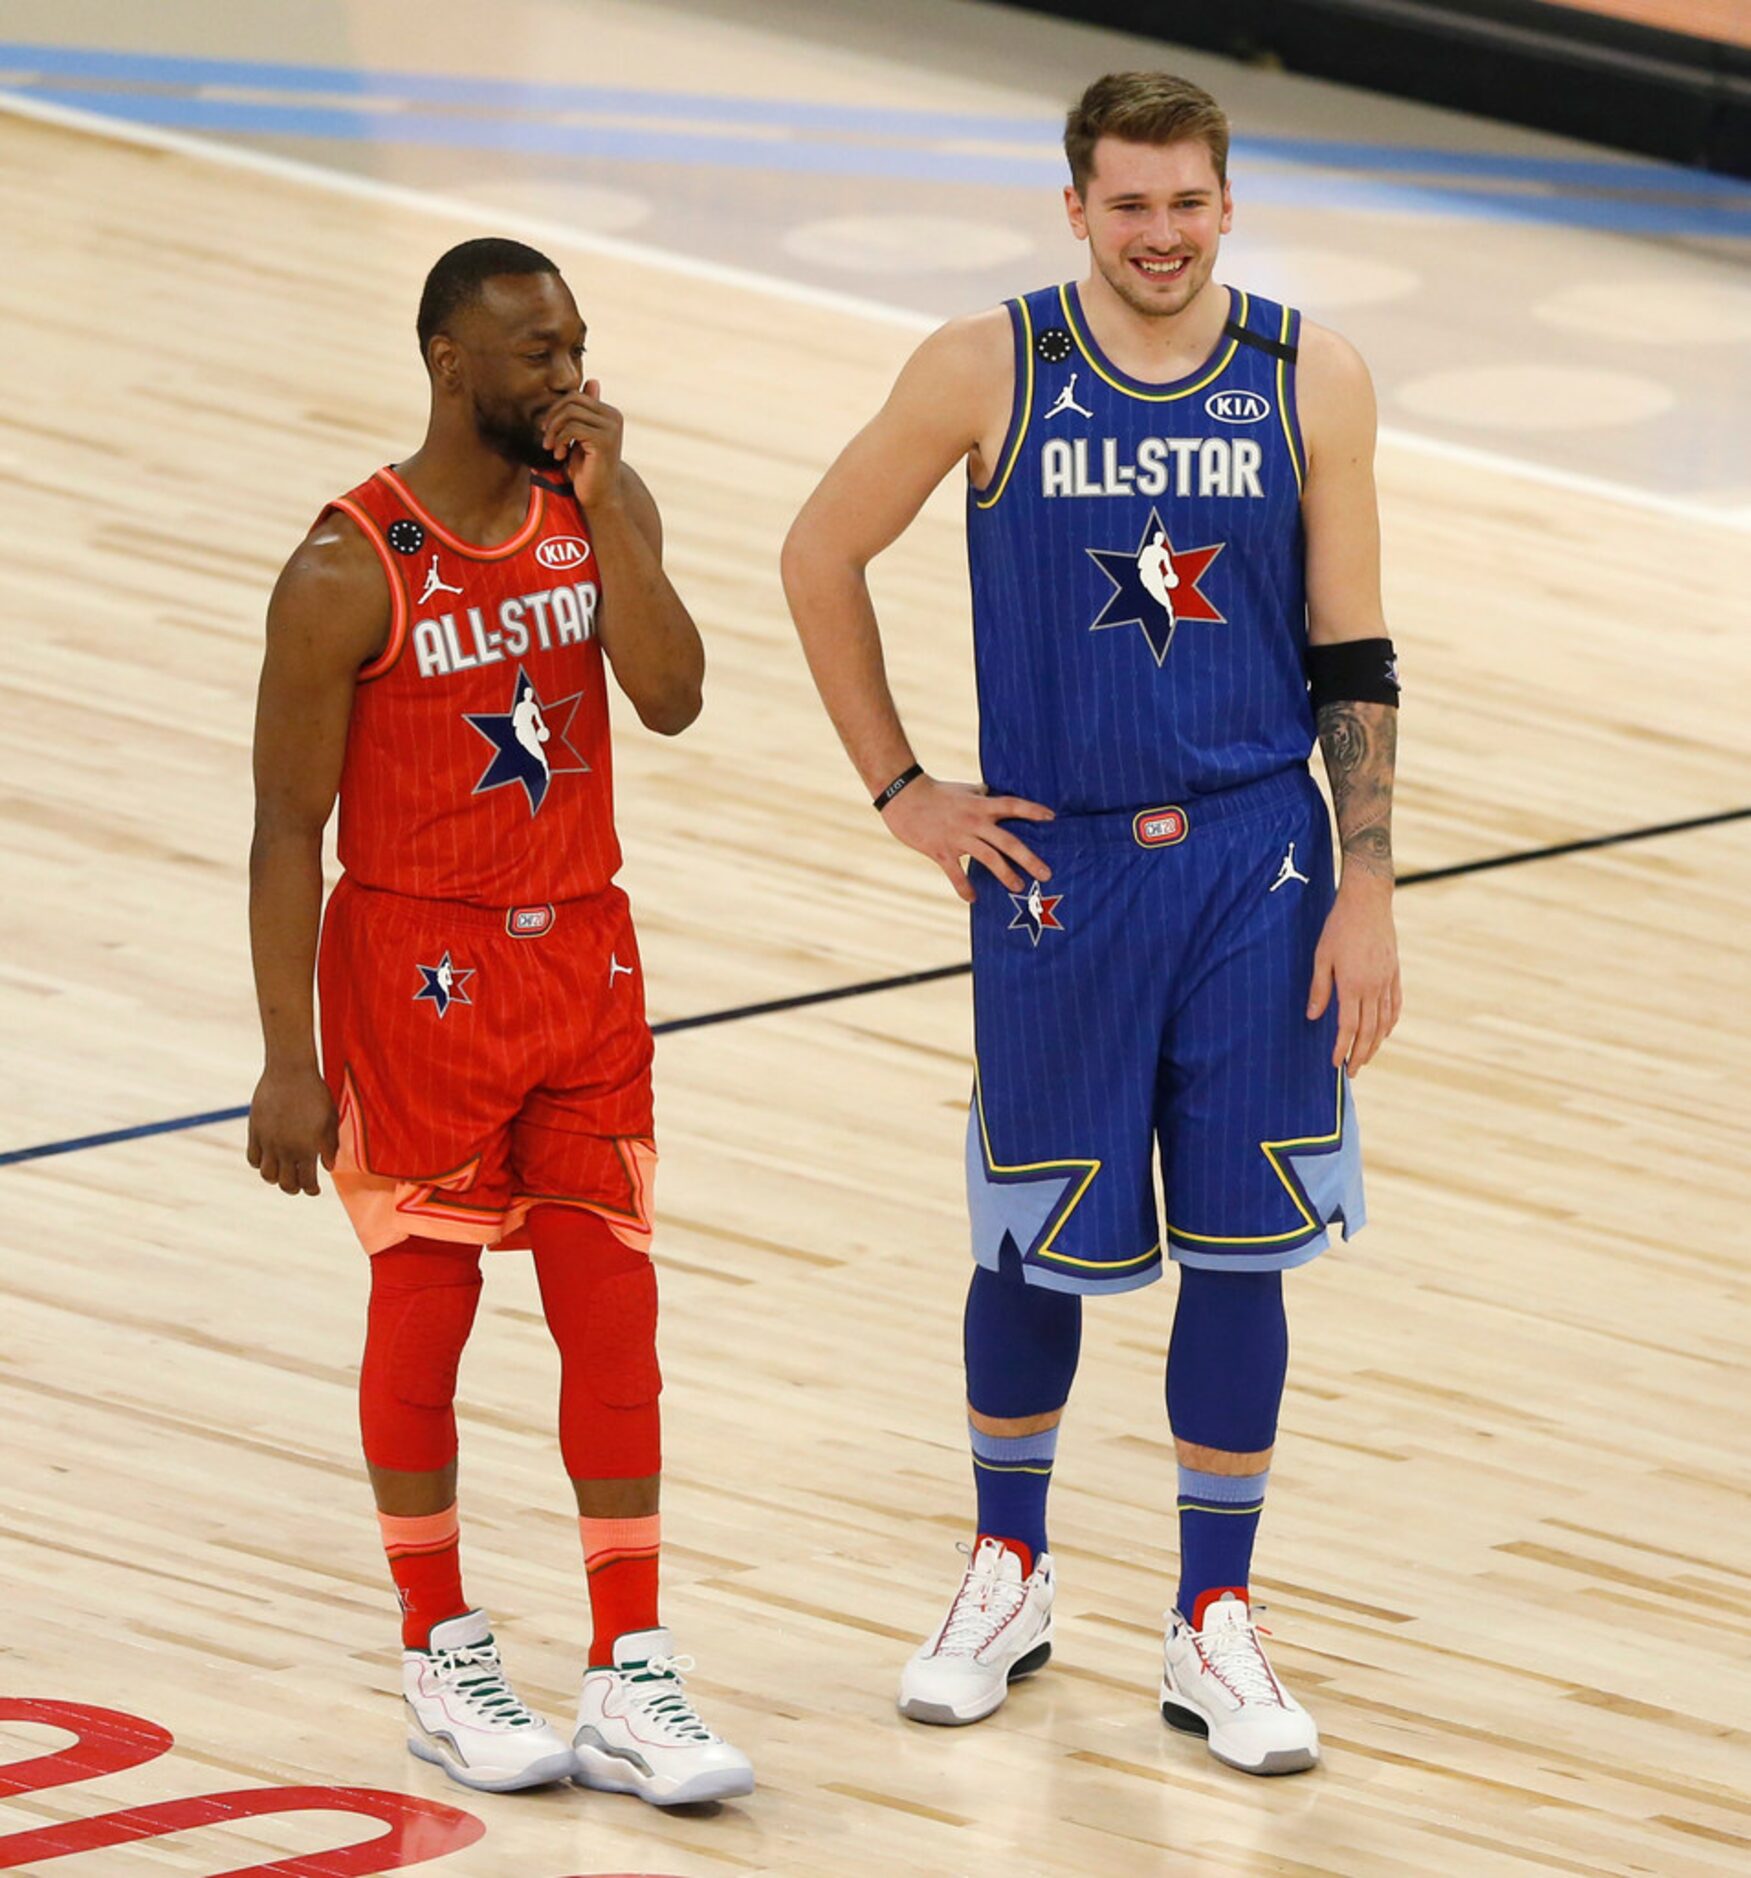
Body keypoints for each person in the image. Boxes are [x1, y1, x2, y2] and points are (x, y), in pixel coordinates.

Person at [782, 73, 1401, 1777]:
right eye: (1128, 202)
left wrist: (1367, 884)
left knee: (1246, 1237)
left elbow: (1353, 656)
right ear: (1075, 207)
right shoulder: (987, 366)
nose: (1159, 232)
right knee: (1032, 1230)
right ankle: (1010, 1565)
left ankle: (1216, 1617)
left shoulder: (1308, 374)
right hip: (1056, 871)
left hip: (1256, 860)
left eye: (1187, 201)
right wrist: (905, 789)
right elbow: (818, 549)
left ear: (1228, 200)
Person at [246, 237, 753, 1805]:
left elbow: (669, 695)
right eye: (536, 352)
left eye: (577, 345)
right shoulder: (348, 565)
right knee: (431, 1310)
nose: (569, 376)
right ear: (449, 363)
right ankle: (440, 1647)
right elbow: (285, 827)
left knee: (616, 1311)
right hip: (417, 971)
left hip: (583, 956)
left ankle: (631, 1663)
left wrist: (616, 521)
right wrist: (285, 1056)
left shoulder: (594, 501)